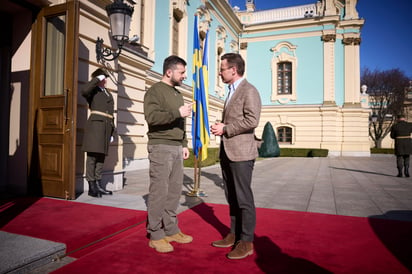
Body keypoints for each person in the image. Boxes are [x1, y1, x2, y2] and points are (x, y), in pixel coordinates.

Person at [210, 53, 262, 259]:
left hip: (241, 153)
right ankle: (233, 234)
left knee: (244, 199)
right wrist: (222, 127)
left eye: (222, 68)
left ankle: (247, 241)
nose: (220, 72)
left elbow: (252, 120)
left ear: (233, 70)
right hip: (228, 151)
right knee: (232, 197)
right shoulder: (231, 91)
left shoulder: (249, 90)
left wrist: (226, 128)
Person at [143, 55, 193, 253]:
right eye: (181, 72)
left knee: (173, 192)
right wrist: (177, 113)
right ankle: (155, 234)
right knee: (159, 192)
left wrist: (184, 143)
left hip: (176, 148)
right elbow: (152, 117)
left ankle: (171, 229)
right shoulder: (155, 91)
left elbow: (181, 122)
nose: (184, 76)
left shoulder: (177, 94)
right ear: (169, 71)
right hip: (160, 147)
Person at [81, 68, 114, 197]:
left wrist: (112, 132)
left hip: (106, 127)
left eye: (105, 77)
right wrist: (96, 79)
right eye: (103, 77)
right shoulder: (92, 91)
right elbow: (83, 91)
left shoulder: (107, 93)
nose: (105, 80)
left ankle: (99, 185)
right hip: (95, 126)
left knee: (101, 157)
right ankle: (91, 186)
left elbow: (111, 114)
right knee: (92, 157)